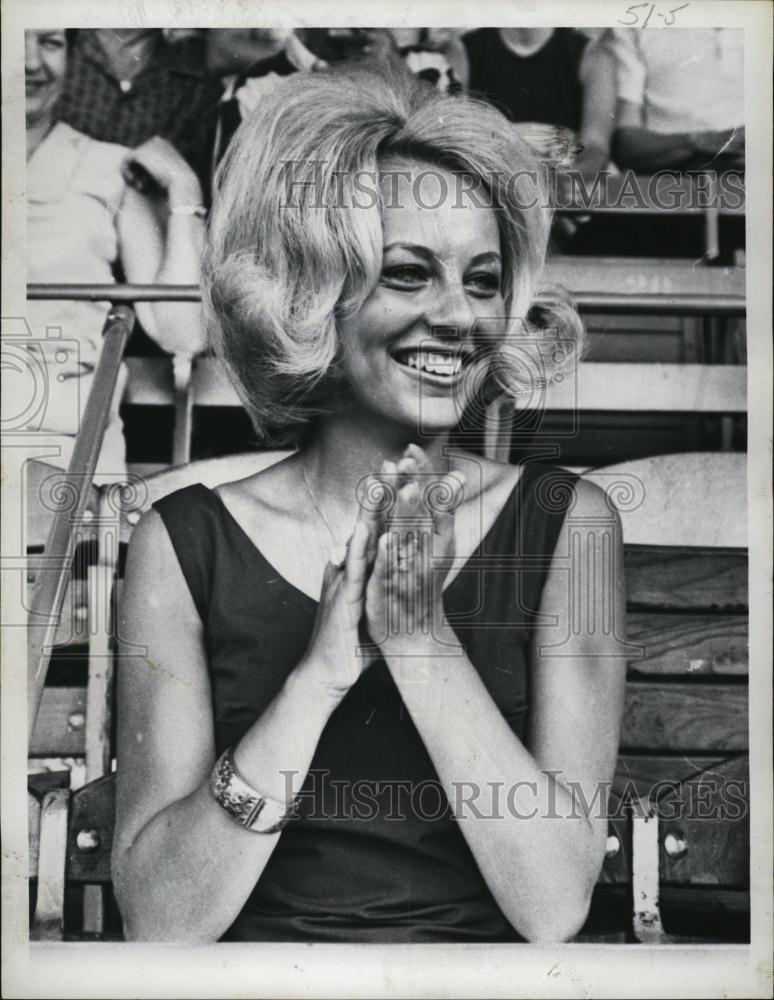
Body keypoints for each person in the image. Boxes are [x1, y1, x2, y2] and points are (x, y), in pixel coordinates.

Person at [113, 62, 627, 943]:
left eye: (482, 279)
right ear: (315, 291)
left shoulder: (569, 528)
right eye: (408, 273)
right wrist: (316, 681)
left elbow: (555, 905)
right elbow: (161, 921)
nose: (459, 317)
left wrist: (418, 635)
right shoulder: (183, 545)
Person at [23, 29, 207, 476]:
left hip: (67, 454)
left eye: (50, 43)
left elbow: (183, 333)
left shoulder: (107, 166)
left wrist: (184, 190)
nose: (31, 63)